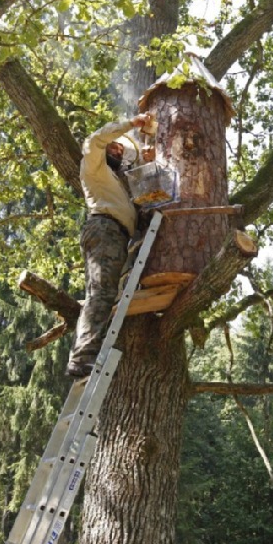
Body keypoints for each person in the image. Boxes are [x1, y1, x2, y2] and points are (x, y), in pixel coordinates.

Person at [66, 113, 154, 378]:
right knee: (102, 291)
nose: (117, 148)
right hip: (104, 229)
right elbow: (95, 140)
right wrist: (131, 124)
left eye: (121, 148)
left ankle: (87, 351)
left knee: (105, 292)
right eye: (114, 145)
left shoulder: (121, 182)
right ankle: (82, 358)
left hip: (116, 235)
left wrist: (148, 163)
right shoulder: (94, 165)